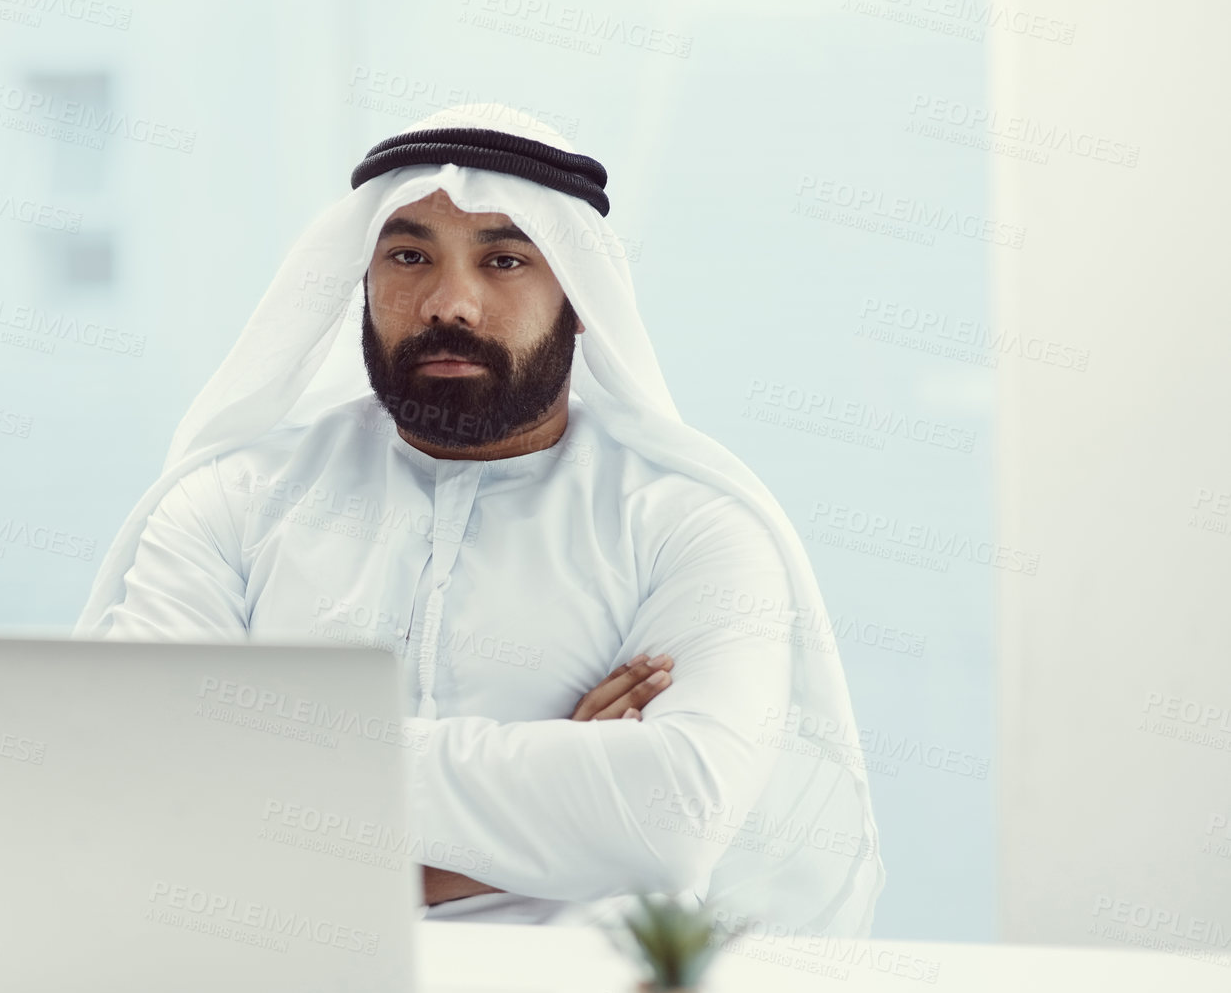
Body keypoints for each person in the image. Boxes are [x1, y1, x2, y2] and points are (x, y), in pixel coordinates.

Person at [75, 104, 884, 935]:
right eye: (409, 255)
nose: (448, 302)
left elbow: (672, 817)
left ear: (577, 298)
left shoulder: (689, 523)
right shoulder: (229, 502)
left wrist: (259, 766)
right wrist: (561, 794)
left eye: (503, 259)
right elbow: (133, 782)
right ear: (362, 278)